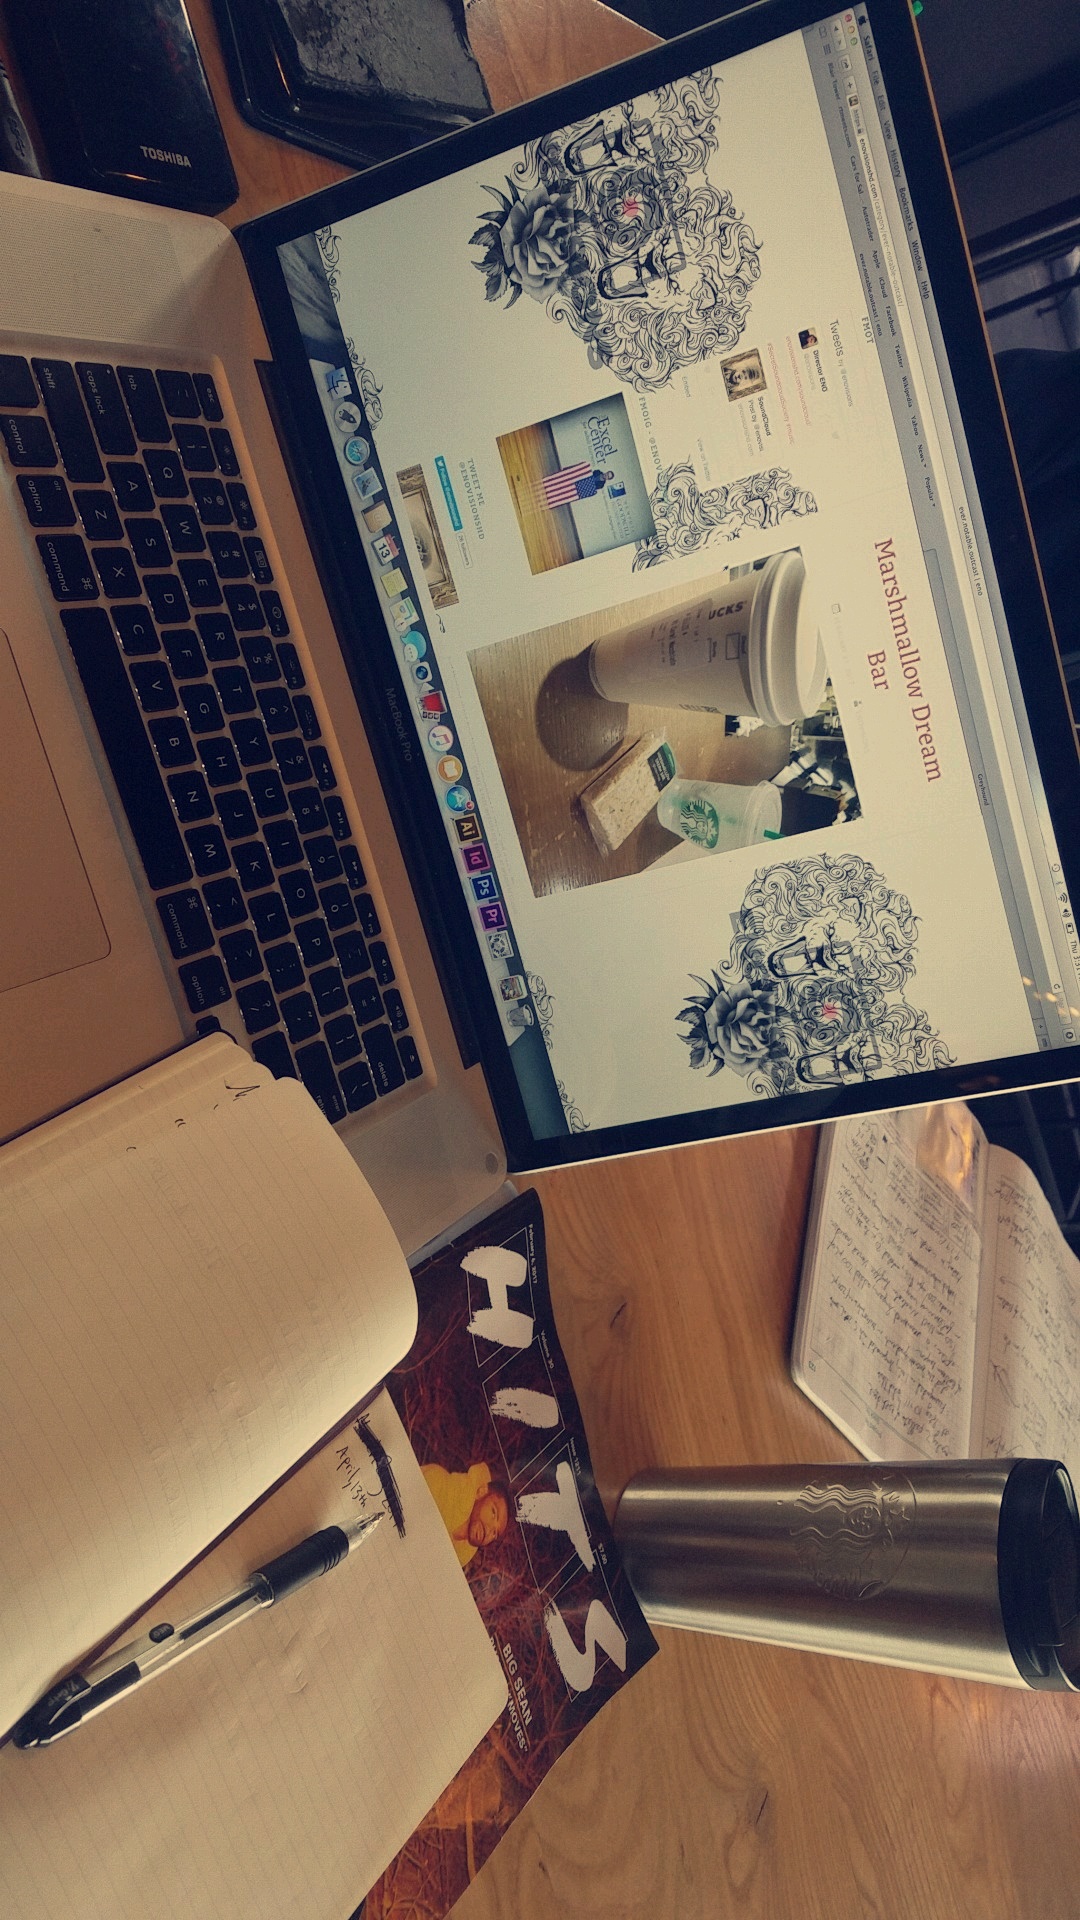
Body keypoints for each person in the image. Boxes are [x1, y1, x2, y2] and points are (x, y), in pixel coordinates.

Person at [421, 1461, 510, 1567]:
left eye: (495, 1533)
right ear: (481, 1492)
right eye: (493, 1513)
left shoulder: (463, 1555)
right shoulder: (438, 1482)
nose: (489, 1531)